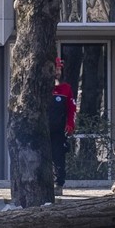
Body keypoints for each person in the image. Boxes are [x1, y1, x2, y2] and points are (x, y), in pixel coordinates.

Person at [49, 57, 77, 197]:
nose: (57, 71)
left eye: (59, 68)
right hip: (43, 130)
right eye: (55, 68)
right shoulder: (42, 87)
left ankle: (58, 184)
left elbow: (71, 109)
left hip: (58, 131)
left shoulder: (66, 89)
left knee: (58, 157)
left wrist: (70, 124)